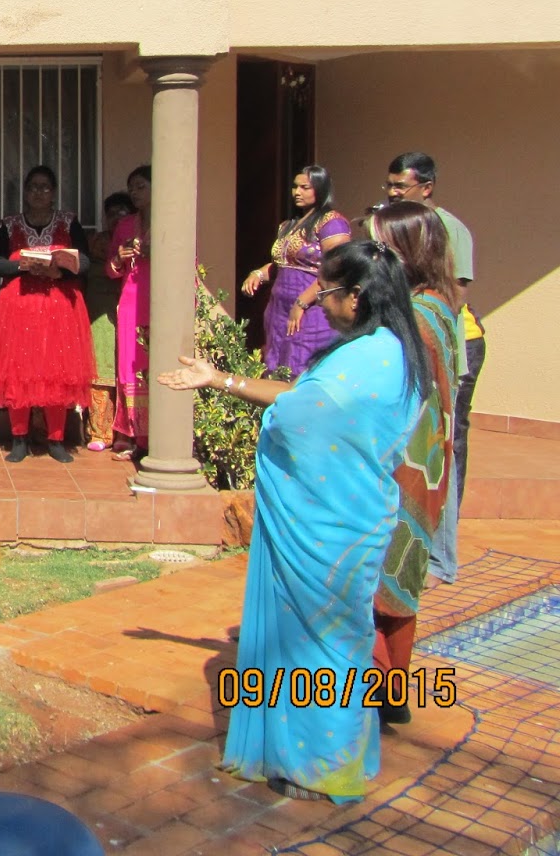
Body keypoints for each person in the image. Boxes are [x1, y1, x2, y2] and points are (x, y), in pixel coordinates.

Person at [157, 241, 432, 803]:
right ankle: (318, 755)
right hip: (352, 515)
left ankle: (321, 767)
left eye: (326, 291)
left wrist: (277, 416)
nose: (317, 301)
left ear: (357, 296)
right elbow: (305, 396)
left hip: (329, 523)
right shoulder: (387, 348)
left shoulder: (371, 358)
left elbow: (303, 414)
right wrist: (218, 379)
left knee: (323, 644)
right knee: (330, 638)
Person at [365, 202, 462, 717]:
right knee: (399, 576)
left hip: (404, 461)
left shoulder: (416, 317)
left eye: (380, 247)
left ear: (406, 253)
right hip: (426, 459)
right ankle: (392, 694)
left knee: (380, 576)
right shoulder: (438, 305)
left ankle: (379, 692)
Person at [385, 152, 481, 585]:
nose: (392, 192)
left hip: (442, 353)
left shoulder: (448, 229)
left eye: (400, 186)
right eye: (389, 185)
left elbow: (454, 295)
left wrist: (424, 339)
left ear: (426, 187)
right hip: (408, 348)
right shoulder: (395, 222)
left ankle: (441, 558)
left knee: (440, 450)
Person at [0, 165, 96, 464]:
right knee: (17, 371)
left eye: (45, 187)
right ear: (25, 191)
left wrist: (59, 271)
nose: (38, 192)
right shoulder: (10, 225)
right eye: (33, 186)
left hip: (59, 310)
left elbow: (85, 262)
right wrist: (21, 266)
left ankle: (56, 439)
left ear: (54, 192)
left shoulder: (68, 223)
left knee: (56, 372)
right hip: (18, 309)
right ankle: (19, 439)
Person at [240, 166, 351, 377]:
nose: (297, 192)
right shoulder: (288, 226)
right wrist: (258, 274)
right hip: (279, 310)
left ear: (320, 189)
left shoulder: (332, 222)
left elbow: (336, 268)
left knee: (303, 367)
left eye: (304, 187)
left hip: (312, 310)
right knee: (277, 368)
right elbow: (281, 265)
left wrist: (301, 303)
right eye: (295, 187)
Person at [106, 165, 152, 457]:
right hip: (131, 301)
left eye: (141, 187)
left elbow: (189, 261)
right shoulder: (125, 226)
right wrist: (120, 258)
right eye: (131, 188)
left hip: (160, 303)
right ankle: (136, 437)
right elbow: (110, 270)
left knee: (156, 368)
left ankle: (158, 438)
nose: (134, 193)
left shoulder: (171, 221)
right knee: (130, 367)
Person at [84, 192, 134, 453]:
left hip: (130, 310)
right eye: (111, 213)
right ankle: (100, 431)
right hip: (100, 313)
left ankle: (127, 433)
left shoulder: (137, 240)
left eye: (122, 213)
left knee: (129, 373)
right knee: (101, 372)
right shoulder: (96, 243)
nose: (116, 218)